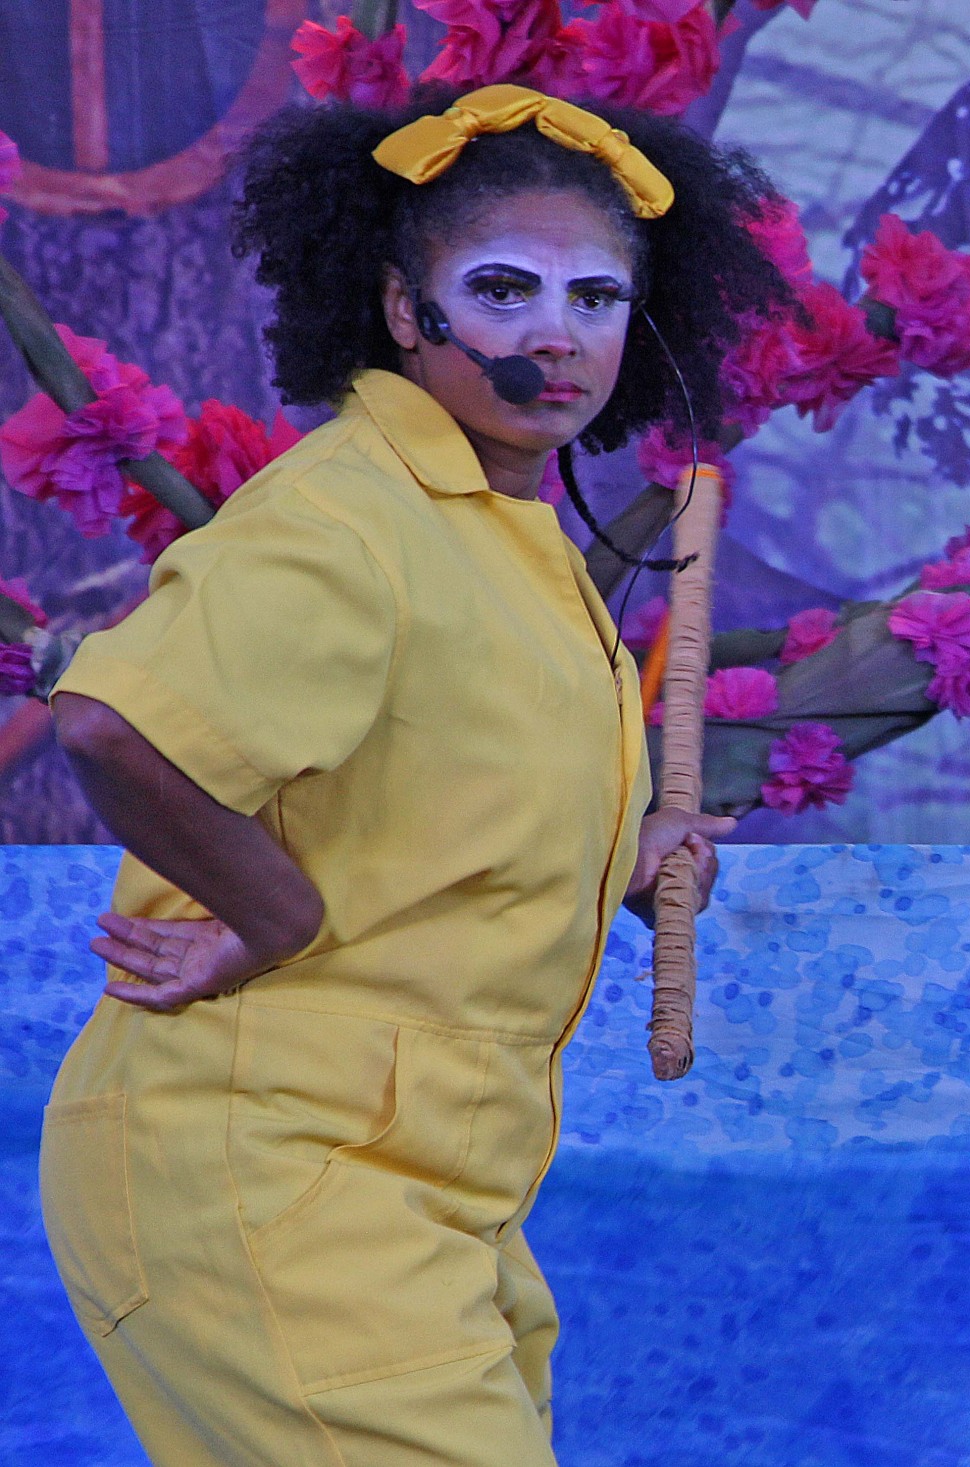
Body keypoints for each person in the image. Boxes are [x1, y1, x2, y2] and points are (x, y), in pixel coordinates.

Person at [38, 85, 788, 1464]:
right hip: (273, 1168)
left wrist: (615, 856)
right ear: (402, 308)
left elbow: (432, 811)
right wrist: (275, 916)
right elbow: (111, 726)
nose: (555, 335)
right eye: (503, 290)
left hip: (431, 1188)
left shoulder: (496, 533)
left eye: (595, 298)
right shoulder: (349, 516)